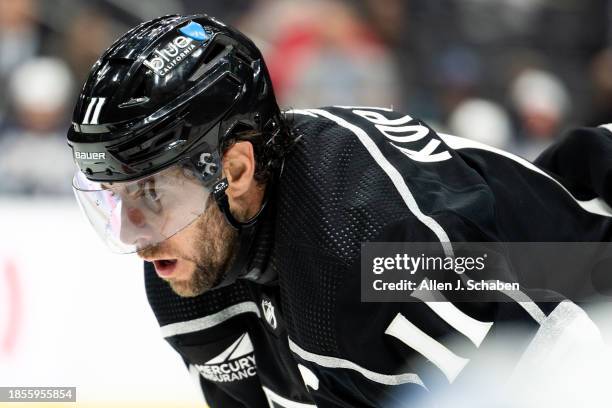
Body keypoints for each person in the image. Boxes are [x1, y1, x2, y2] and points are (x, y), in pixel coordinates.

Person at [67, 14, 612, 407]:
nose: (136, 236)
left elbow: (572, 370)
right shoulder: (186, 266)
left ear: (234, 170)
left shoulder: (382, 248)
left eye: (153, 196)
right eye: (114, 200)